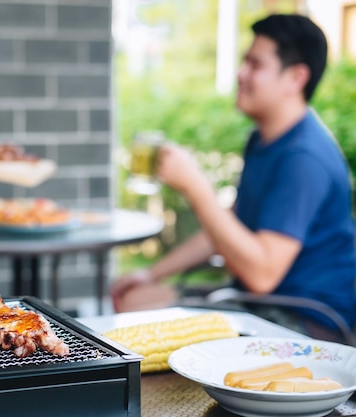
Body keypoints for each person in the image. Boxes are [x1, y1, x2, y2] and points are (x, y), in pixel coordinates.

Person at [111, 14, 356, 336]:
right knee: (134, 296)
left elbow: (263, 274)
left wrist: (196, 188)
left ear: (296, 78)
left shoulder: (304, 158)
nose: (241, 74)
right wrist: (152, 273)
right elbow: (232, 225)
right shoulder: (265, 139)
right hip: (257, 302)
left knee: (138, 309)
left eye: (255, 64)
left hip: (303, 321)